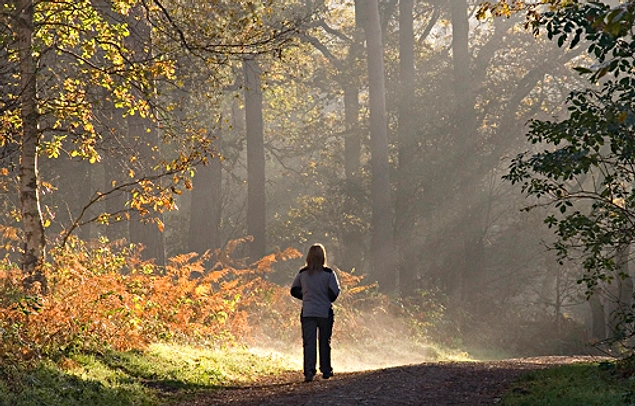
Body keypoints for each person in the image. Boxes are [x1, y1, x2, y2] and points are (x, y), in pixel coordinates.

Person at [290, 243, 341, 382]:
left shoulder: (303, 273)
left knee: (309, 342)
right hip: (324, 311)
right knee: (324, 341)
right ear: (323, 257)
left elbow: (293, 290)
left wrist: (306, 296)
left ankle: (309, 371)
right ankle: (325, 369)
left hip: (308, 311)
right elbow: (335, 293)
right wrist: (324, 297)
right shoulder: (329, 274)